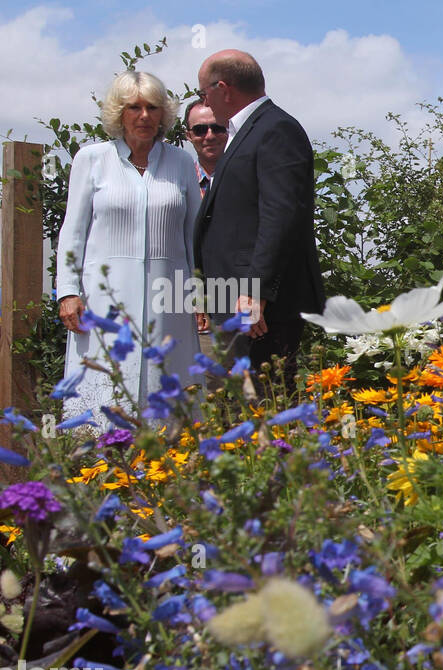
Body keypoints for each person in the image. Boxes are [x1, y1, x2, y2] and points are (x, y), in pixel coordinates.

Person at [55, 70, 205, 425]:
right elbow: (72, 233)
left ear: (163, 114)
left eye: (152, 107)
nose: (144, 116)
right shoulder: (91, 159)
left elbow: (194, 236)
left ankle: (169, 472)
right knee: (104, 388)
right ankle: (98, 470)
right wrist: (67, 292)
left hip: (169, 298)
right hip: (102, 299)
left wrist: (200, 293)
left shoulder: (182, 163)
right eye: (134, 107)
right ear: (118, 112)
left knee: (168, 394)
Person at [194, 49, 324, 390]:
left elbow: (281, 215)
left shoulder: (275, 129)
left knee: (264, 409)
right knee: (238, 413)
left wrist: (256, 291)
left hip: (260, 309)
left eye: (202, 92)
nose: (203, 99)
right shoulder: (247, 131)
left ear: (223, 88)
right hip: (236, 299)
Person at [184, 100, 227, 360]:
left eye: (217, 127)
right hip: (194, 310)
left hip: (245, 303)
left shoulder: (250, 177)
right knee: (205, 393)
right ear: (189, 136)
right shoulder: (176, 184)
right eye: (200, 130)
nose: (209, 136)